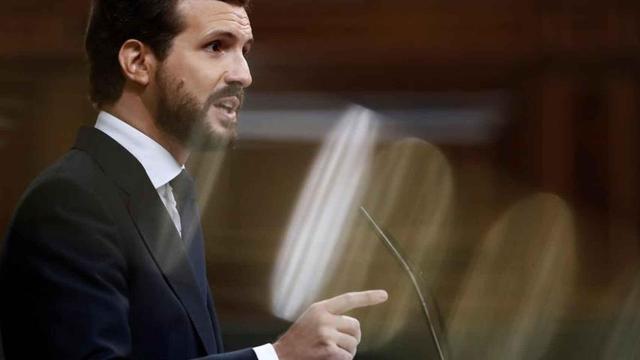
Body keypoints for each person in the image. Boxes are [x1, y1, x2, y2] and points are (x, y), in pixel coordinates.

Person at [0, 0, 388, 359]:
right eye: (217, 46)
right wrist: (277, 356)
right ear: (137, 62)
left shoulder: (171, 191)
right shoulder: (70, 202)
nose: (243, 75)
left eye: (245, 51)